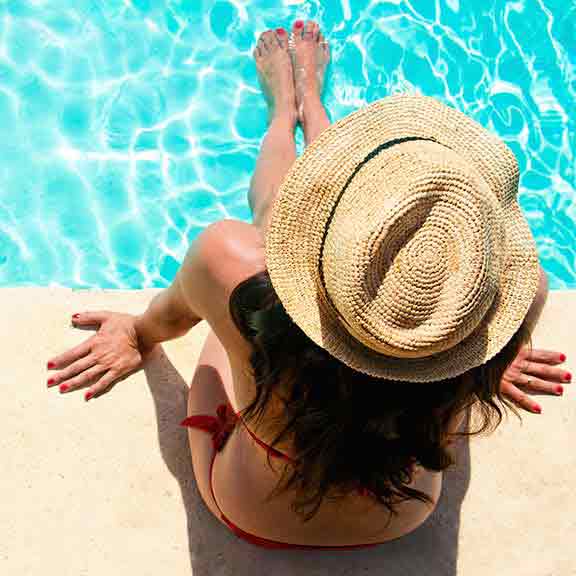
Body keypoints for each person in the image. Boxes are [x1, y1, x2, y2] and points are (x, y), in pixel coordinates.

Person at [46, 21, 570, 550]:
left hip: (252, 512)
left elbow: (164, 324)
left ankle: (286, 113)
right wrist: (477, 356)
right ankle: (312, 106)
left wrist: (134, 335)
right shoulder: (518, 295)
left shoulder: (225, 259)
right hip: (406, 514)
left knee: (269, 227)